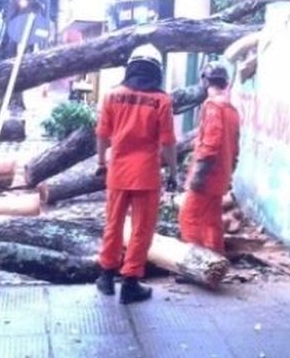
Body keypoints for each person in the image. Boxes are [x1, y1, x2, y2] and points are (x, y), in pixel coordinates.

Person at [94, 44, 178, 304]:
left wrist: (100, 162)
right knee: (142, 229)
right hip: (146, 175)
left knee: (113, 224)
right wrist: (173, 171)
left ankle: (106, 277)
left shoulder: (112, 96)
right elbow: (168, 143)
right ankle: (130, 282)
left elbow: (102, 134)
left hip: (117, 172)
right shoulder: (161, 101)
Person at [178, 61, 240, 256]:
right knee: (212, 220)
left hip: (208, 175)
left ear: (205, 81)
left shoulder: (212, 106)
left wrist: (198, 176)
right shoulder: (231, 109)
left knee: (189, 216)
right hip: (221, 175)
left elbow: (211, 144)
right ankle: (215, 260)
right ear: (225, 82)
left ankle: (194, 265)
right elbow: (235, 148)